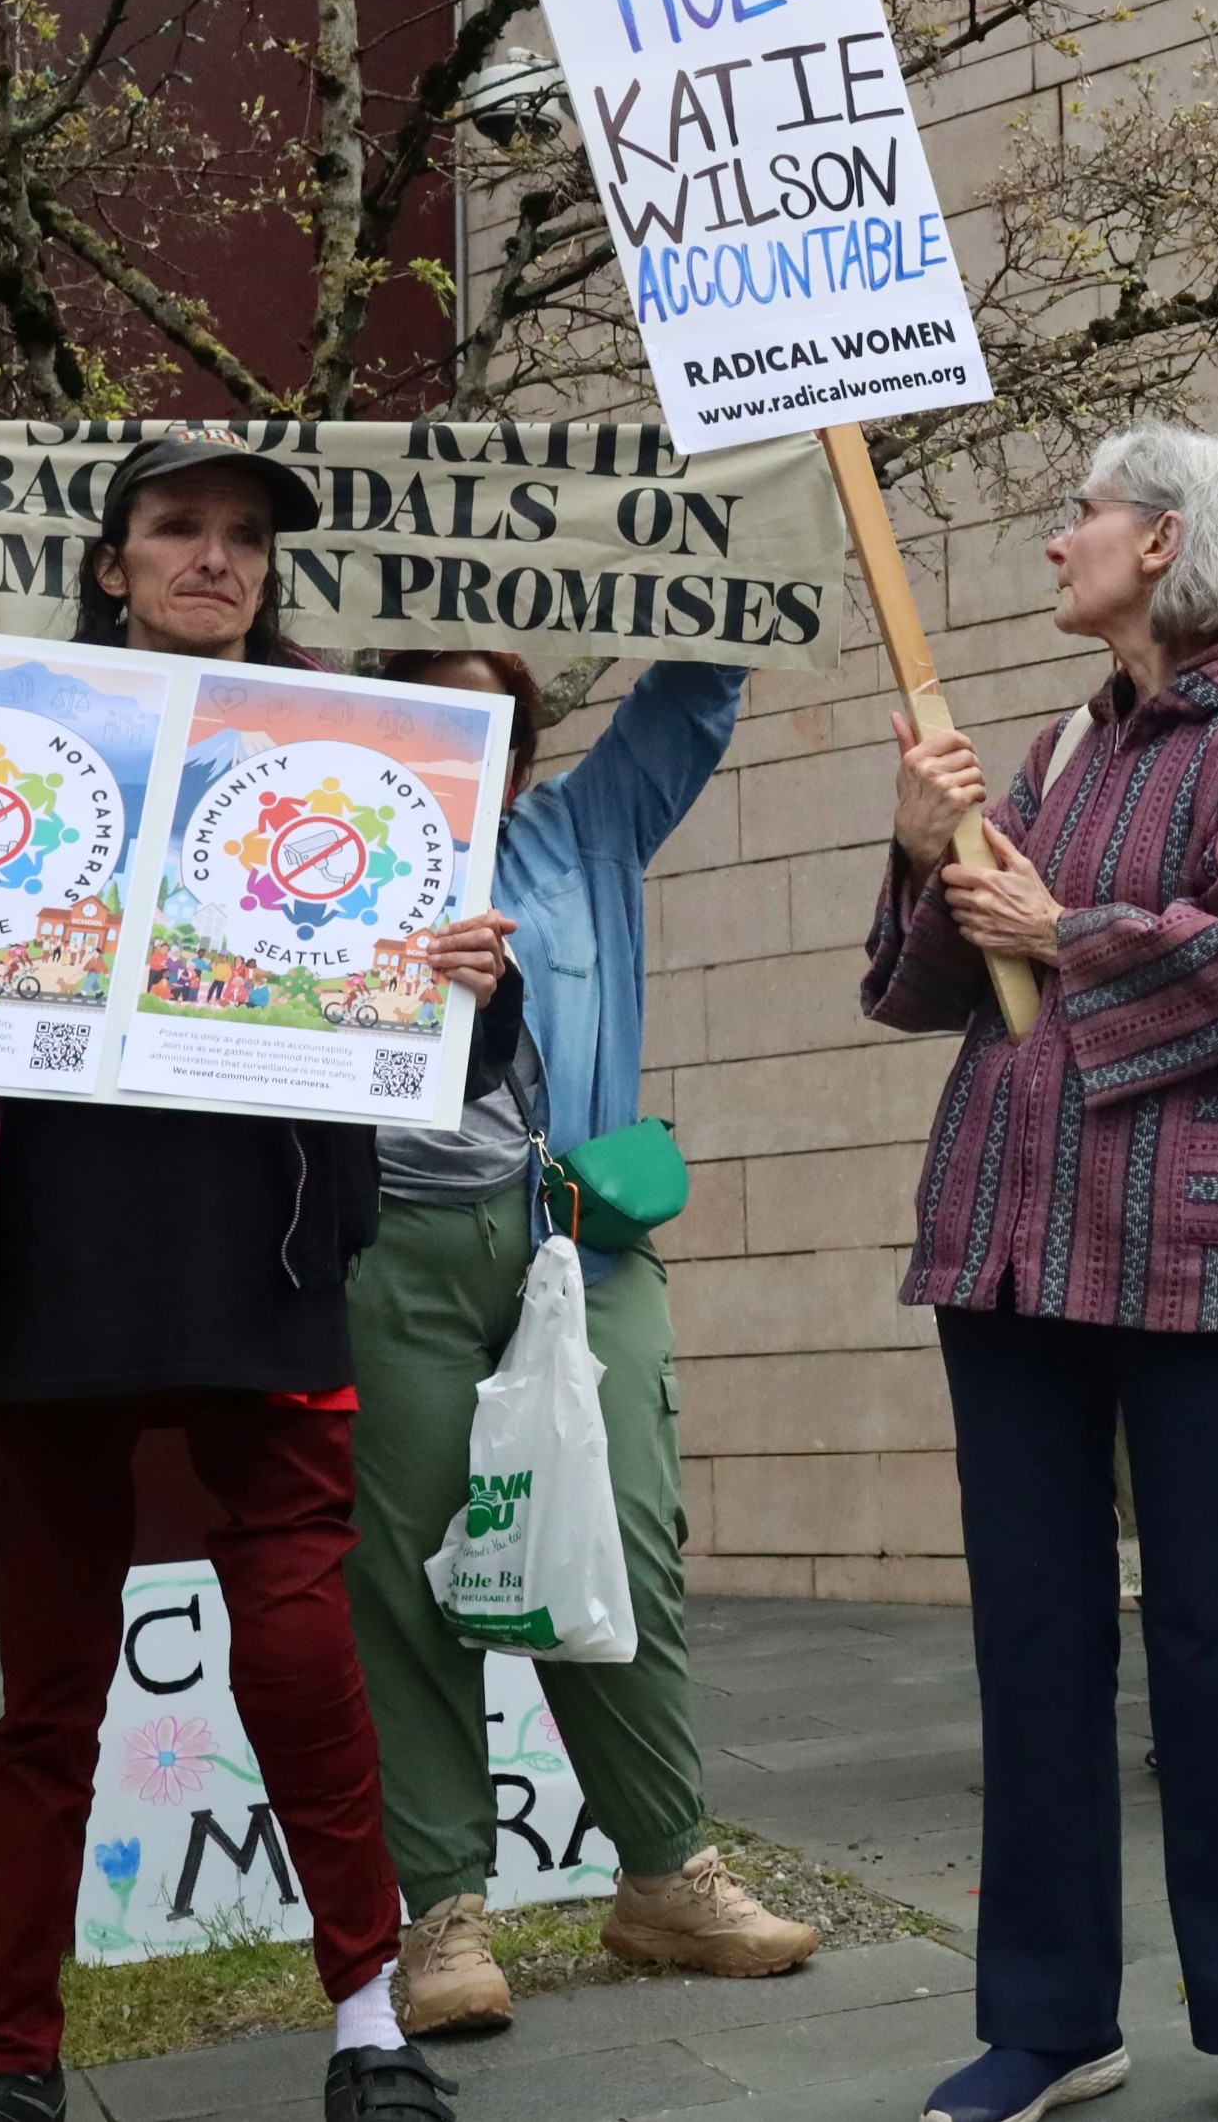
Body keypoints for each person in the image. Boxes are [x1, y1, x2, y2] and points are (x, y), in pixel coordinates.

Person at [0, 428, 512, 2122]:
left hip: (266, 1274)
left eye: (243, 535)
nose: (213, 557)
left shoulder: (367, 759)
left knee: (309, 1667)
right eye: (177, 527)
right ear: (111, 561)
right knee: (52, 1692)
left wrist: (481, 979)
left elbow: (453, 1059)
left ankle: (370, 2030)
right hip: (56, 1271)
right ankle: (10, 2055)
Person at [868, 420, 1218, 2122]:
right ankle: (1047, 2016)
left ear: (1164, 540)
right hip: (1012, 1244)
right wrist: (928, 839)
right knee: (1031, 1637)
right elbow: (938, 981)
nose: (1054, 538)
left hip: (1211, 1251)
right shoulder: (1058, 742)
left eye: (1078, 513)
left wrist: (1061, 932)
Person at [340, 646, 826, 2035]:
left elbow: (691, 698)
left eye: (500, 715)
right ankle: (439, 1918)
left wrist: (734, 525)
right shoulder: (307, 848)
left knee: (622, 1541)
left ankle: (666, 1874)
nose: (475, 735)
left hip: (576, 1243)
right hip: (389, 1252)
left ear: (527, 748)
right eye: (442, 706)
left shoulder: (576, 835)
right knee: (410, 1571)